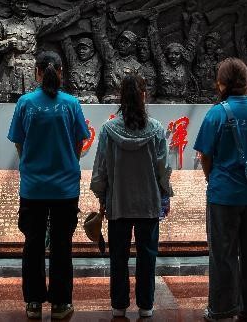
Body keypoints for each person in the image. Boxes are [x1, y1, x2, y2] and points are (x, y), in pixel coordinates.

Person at [8, 51, 90, 320]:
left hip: (33, 187)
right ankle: (60, 303)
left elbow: (18, 141)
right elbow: (79, 141)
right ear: (61, 72)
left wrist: (30, 163)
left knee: (32, 244)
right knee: (61, 244)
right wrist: (68, 162)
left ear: (37, 72)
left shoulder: (25, 103)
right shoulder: (71, 104)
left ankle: (33, 303)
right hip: (65, 187)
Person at [193, 57, 247, 322]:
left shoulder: (216, 114)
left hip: (224, 195)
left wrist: (212, 179)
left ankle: (222, 309)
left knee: (223, 254)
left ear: (221, 83)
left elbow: (205, 155)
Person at [90, 73, 172, 318]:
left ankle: (119, 304)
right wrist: (164, 195)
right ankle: (146, 305)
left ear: (121, 98)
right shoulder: (156, 129)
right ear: (144, 96)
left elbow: (100, 169)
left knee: (118, 257)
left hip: (119, 203)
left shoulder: (108, 130)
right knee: (147, 256)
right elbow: (164, 169)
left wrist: (101, 196)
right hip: (148, 203)